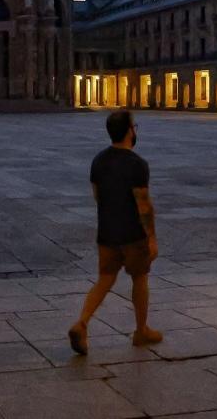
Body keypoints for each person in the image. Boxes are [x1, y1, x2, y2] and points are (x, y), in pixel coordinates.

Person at [68, 110, 161, 353]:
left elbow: (97, 195)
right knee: (139, 278)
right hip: (132, 233)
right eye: (134, 126)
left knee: (105, 279)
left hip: (107, 232)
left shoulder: (98, 161)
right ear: (130, 131)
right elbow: (143, 204)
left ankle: (82, 323)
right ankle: (141, 330)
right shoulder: (137, 164)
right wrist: (151, 237)